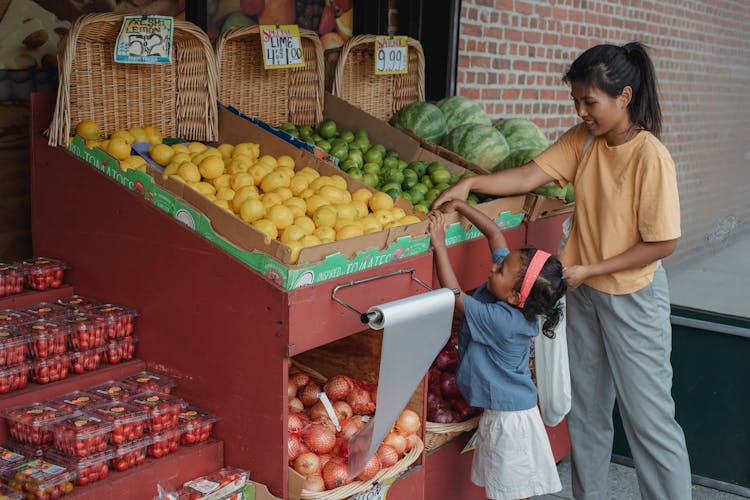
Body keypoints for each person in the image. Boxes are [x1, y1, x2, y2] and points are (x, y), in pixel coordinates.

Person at [432, 42, 691, 500]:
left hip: (633, 297)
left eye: (590, 102)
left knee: (649, 419)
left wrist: (592, 267)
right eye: (576, 101)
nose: (581, 111)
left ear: (624, 97)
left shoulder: (650, 157)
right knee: (587, 411)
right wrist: (471, 183)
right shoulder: (583, 141)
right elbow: (529, 175)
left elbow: (662, 243)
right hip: (583, 294)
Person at [428, 199, 566, 500]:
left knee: (509, 491)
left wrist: (439, 244)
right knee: (507, 488)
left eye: (500, 269)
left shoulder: (503, 320)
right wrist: (462, 206)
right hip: (504, 412)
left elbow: (454, 296)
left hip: (509, 422)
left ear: (517, 296)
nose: (494, 267)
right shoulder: (510, 291)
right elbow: (495, 234)